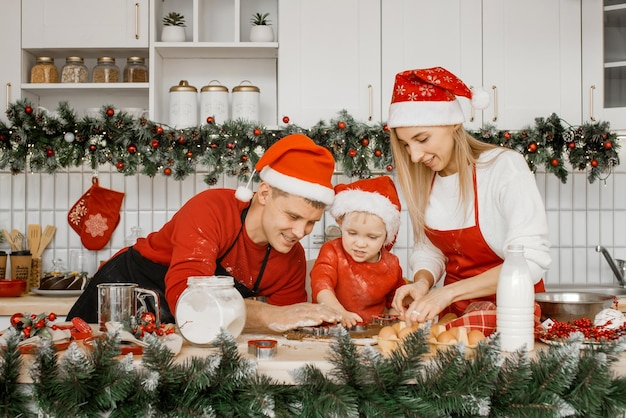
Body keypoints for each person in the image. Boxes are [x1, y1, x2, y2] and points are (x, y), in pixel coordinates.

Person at [67, 133, 343, 332]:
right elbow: (189, 299)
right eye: (292, 216)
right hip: (126, 293)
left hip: (189, 325)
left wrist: (299, 318)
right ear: (264, 193)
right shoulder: (212, 209)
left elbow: (290, 324)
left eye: (311, 222)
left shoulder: (290, 259)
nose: (300, 232)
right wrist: (274, 315)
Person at [387, 67, 551, 335]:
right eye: (406, 145)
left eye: (422, 139)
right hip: (455, 317)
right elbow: (430, 251)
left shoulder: (503, 168)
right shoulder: (425, 179)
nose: (414, 156)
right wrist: (422, 284)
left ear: (453, 123)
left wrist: (446, 293)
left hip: (512, 316)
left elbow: (529, 261)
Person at [310, 176, 406, 327]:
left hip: (372, 336)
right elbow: (321, 286)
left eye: (372, 237)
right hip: (331, 331)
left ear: (387, 235)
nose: (360, 244)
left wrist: (398, 316)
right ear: (341, 224)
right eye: (352, 233)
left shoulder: (392, 264)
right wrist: (339, 312)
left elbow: (397, 302)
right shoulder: (332, 251)